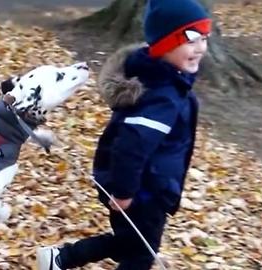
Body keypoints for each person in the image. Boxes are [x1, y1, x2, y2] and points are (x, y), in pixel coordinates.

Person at [36, 0, 212, 269]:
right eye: (190, 38)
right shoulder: (161, 95)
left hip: (149, 186)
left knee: (131, 244)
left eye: (204, 37)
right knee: (139, 254)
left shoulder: (166, 81)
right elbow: (131, 145)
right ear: (165, 43)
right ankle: (63, 257)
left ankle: (61, 258)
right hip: (142, 191)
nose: (201, 47)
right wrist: (124, 191)